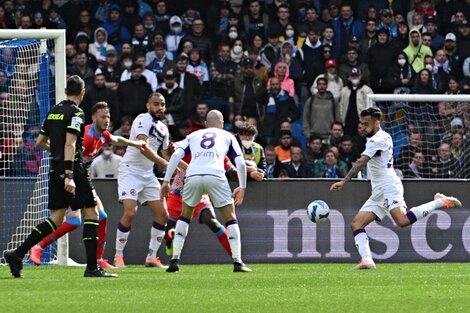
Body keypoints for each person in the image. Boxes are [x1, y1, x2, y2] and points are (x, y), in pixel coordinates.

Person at [4, 76, 117, 278]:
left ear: (66, 91)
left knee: (56, 219)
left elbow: (40, 141)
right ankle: (92, 268)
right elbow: (70, 144)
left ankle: (17, 254)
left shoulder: (53, 111)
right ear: (82, 92)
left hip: (55, 168)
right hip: (72, 168)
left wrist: (56, 155)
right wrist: (69, 174)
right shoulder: (77, 113)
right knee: (92, 214)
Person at [330, 107, 461, 270]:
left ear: (377, 123)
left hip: (389, 187)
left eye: (366, 124)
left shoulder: (378, 139)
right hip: (378, 191)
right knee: (356, 224)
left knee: (402, 221)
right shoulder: (377, 137)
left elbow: (361, 162)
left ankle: (439, 202)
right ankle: (367, 261)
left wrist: (344, 181)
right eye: (361, 124)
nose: (362, 127)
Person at [29, 102, 145, 269]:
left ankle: (98, 260)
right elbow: (66, 149)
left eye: (108, 117)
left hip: (82, 179)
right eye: (103, 117)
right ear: (93, 118)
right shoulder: (86, 135)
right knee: (73, 221)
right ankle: (38, 247)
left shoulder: (103, 135)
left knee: (102, 216)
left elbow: (116, 139)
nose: (106, 121)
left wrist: (135, 144)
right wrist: (64, 166)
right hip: (71, 179)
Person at [161, 110, 251, 273]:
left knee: (184, 216)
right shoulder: (228, 136)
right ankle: (238, 262)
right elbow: (241, 164)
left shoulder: (194, 135)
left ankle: (174, 260)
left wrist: (166, 181)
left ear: (205, 124)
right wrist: (242, 187)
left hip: (193, 175)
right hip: (215, 175)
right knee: (230, 218)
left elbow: (175, 156)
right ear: (222, 123)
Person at [113, 93, 177, 268]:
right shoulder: (143, 119)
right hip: (130, 171)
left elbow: (167, 154)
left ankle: (151, 257)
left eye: (162, 104)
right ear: (148, 105)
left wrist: (181, 167)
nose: (160, 107)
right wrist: (165, 163)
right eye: (156, 104)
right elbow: (143, 147)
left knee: (163, 214)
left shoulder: (163, 128)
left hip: (148, 174)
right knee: (130, 212)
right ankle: (118, 256)